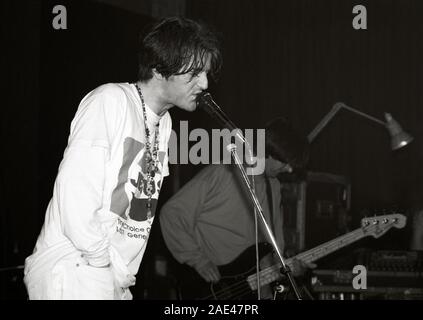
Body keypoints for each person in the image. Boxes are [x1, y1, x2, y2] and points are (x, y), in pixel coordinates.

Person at [24, 17, 222, 300]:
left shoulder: (164, 124)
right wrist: (99, 264)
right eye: (194, 73)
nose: (204, 83)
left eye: (206, 73)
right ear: (159, 69)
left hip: (113, 277)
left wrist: (116, 276)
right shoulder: (110, 100)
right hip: (76, 266)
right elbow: (75, 193)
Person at [159, 117, 315, 299]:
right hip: (214, 288)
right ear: (269, 152)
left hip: (255, 291)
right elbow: (172, 214)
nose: (289, 170)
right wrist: (198, 260)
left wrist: (287, 268)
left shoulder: (274, 188)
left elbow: (273, 249)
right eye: (285, 162)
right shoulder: (225, 172)